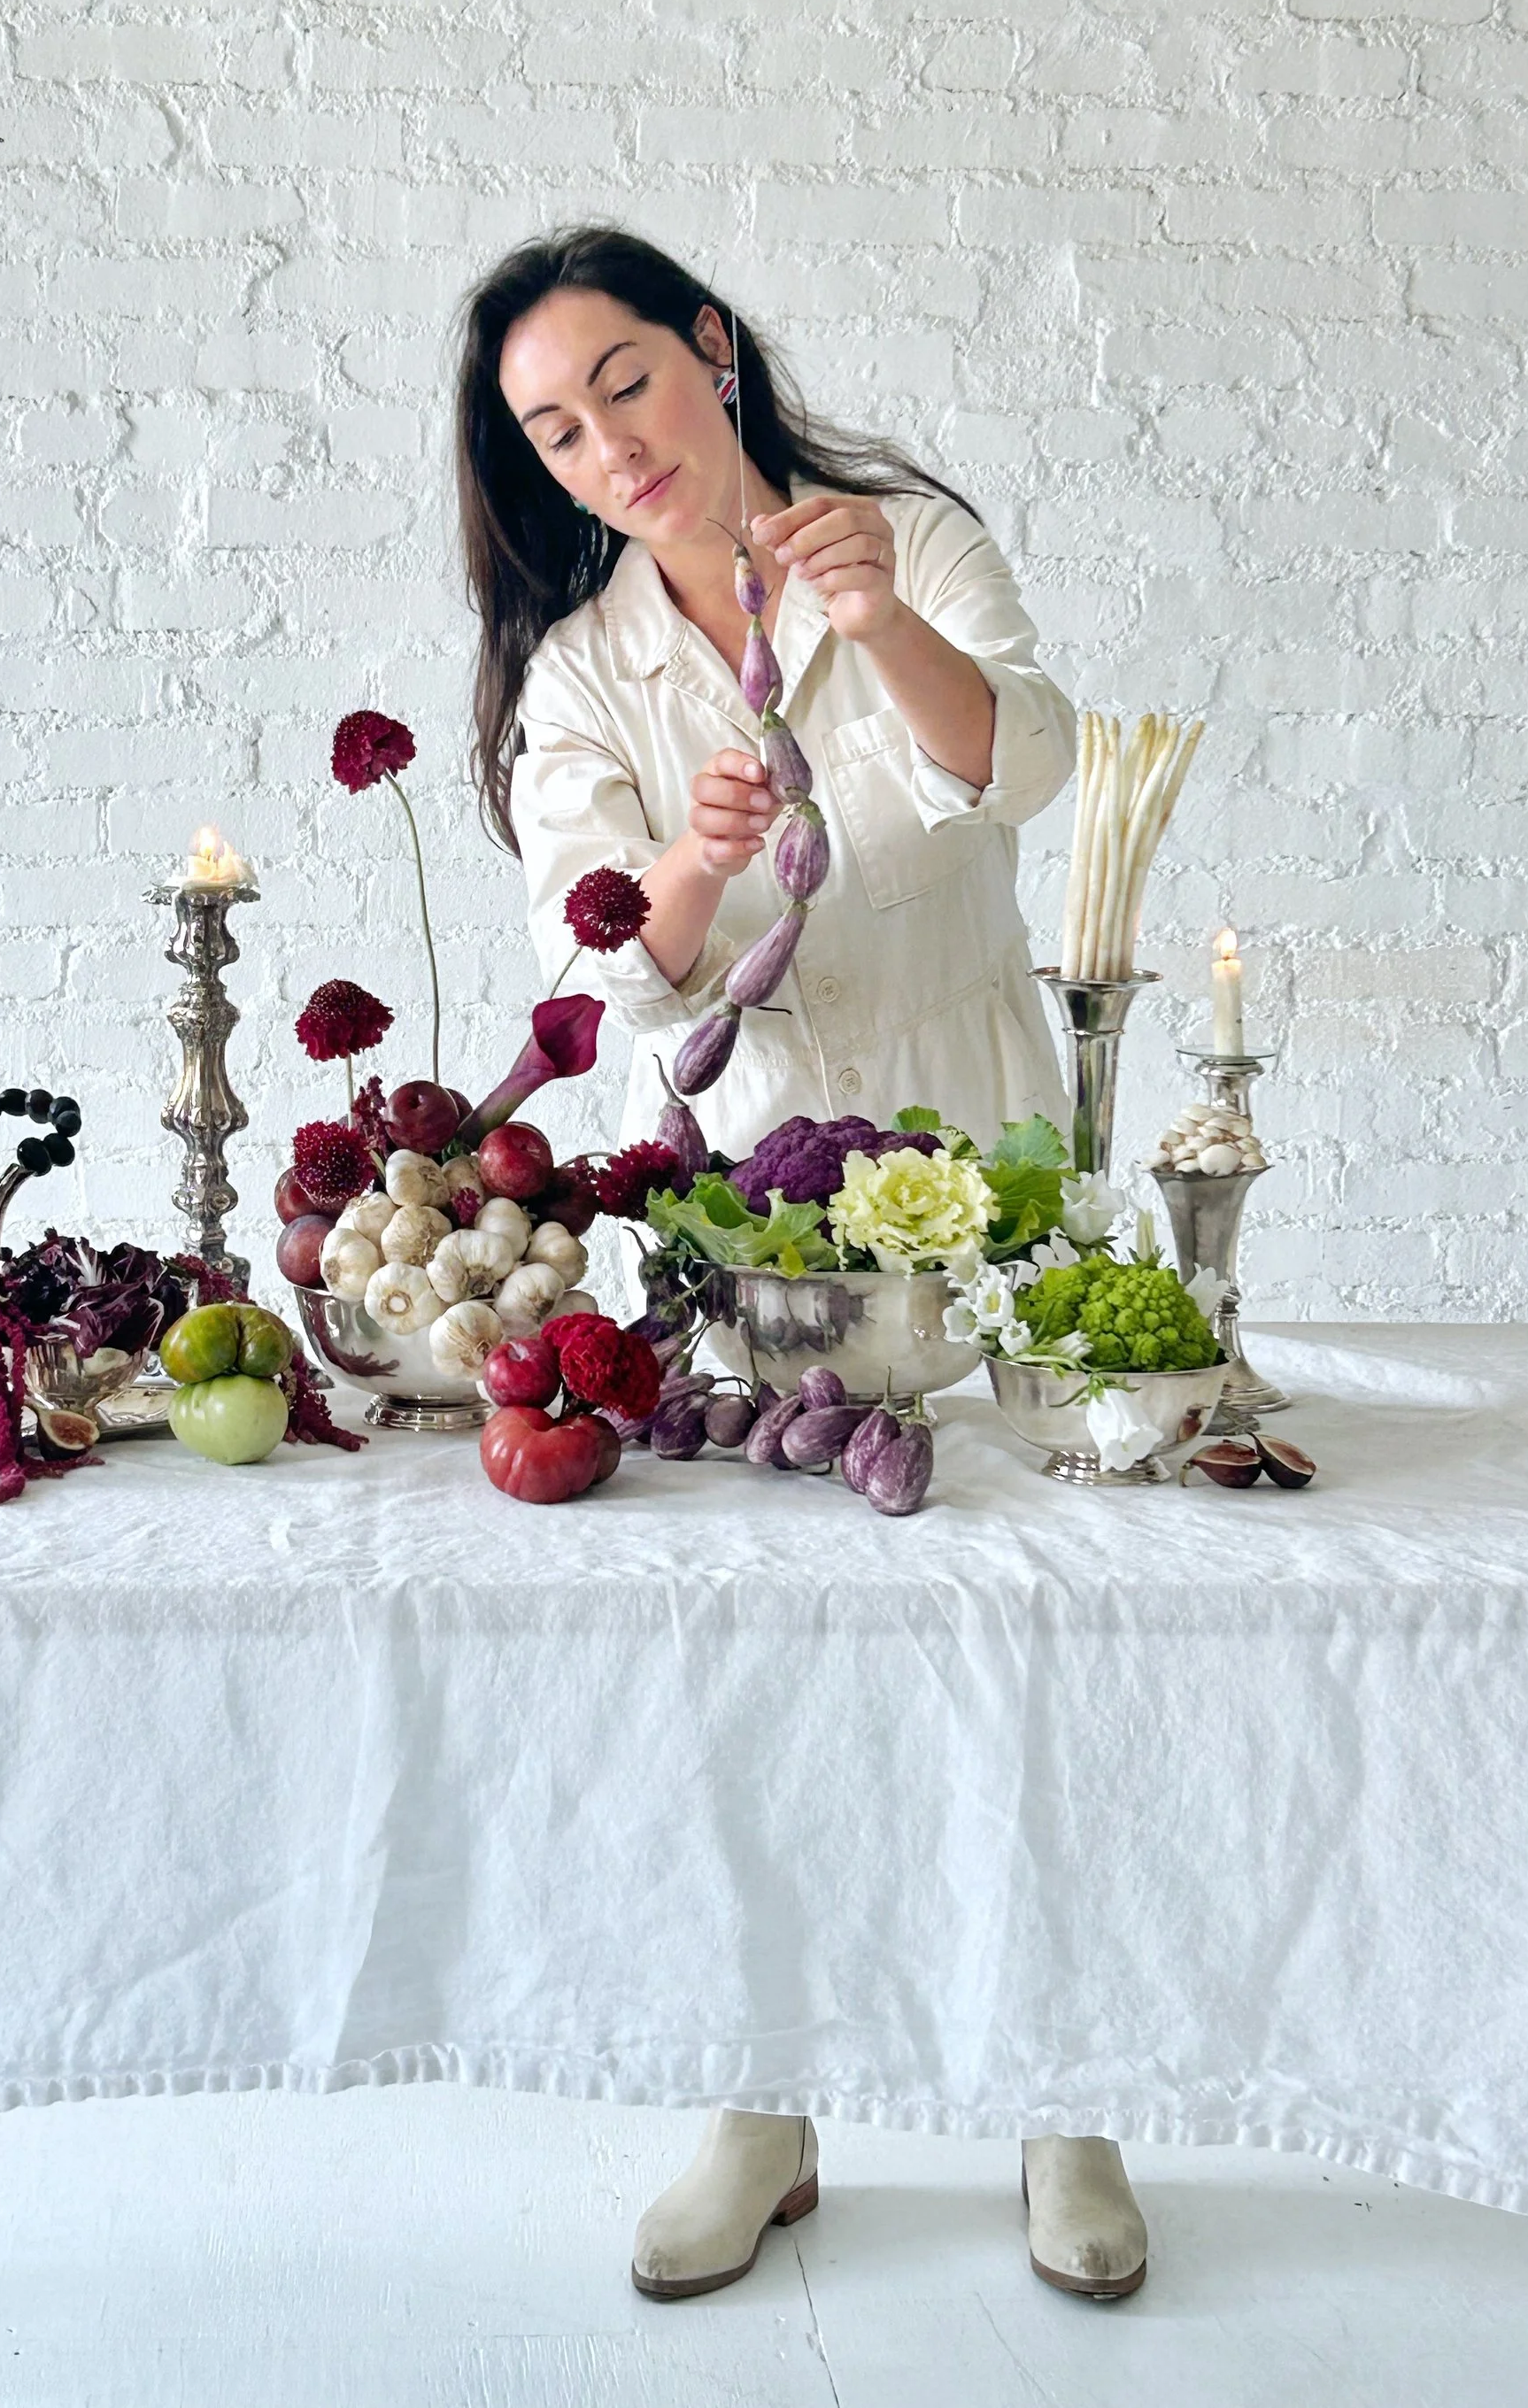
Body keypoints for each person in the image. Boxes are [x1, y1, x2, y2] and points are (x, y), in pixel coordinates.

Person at [451, 225, 1149, 2309]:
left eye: (625, 388)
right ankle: (760, 2102)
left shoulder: (904, 538)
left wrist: (874, 624)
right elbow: (596, 970)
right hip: (748, 1188)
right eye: (553, 431)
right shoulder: (586, 666)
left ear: (713, 350)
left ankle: (1066, 2096)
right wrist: (694, 853)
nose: (603, 450)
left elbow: (1023, 764)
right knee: (755, 1650)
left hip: (979, 1132)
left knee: (1025, 1632)